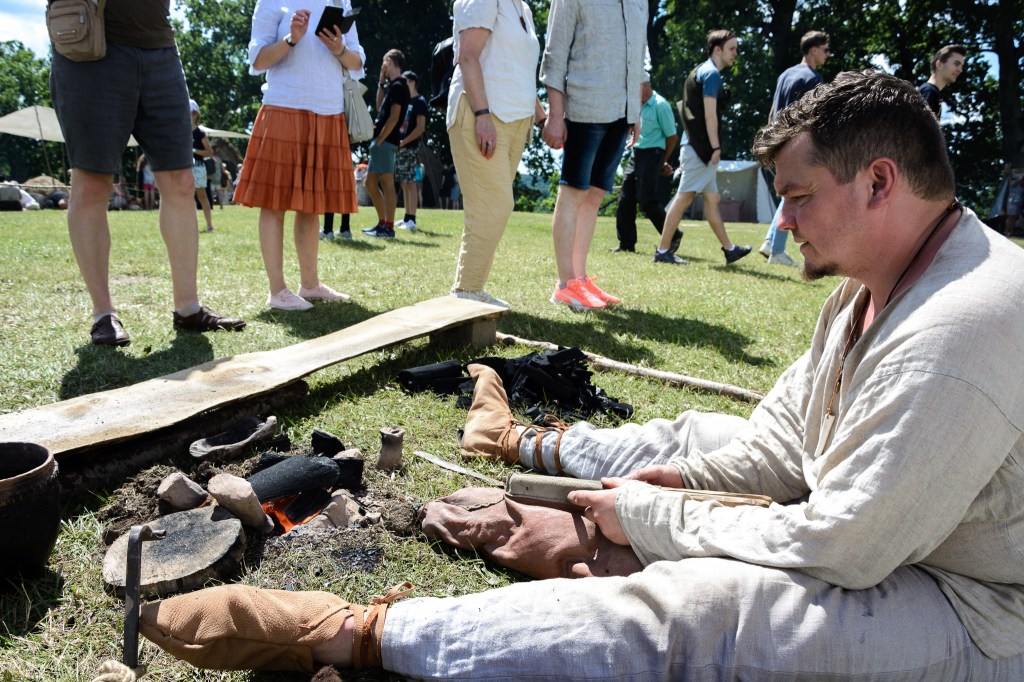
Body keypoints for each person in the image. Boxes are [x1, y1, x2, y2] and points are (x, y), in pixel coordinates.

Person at [141, 70, 1024, 680]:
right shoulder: (871, 287)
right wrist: (671, 486)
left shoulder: (959, 328)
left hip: (979, 611)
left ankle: (362, 633)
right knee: (699, 438)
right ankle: (527, 448)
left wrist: (653, 519)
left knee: (709, 610)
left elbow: (845, 547)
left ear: (879, 183)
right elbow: (781, 450)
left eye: (798, 197)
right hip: (890, 539)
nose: (784, 223)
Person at [49, 0, 244, 347]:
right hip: (90, 42)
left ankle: (188, 307)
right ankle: (103, 313)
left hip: (159, 46)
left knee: (181, 180)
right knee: (92, 183)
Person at [234, 0, 365, 311]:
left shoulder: (339, 1)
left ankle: (310, 285)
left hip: (328, 110)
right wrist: (291, 39)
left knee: (311, 204)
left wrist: (339, 49)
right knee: (273, 202)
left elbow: (358, 61)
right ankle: (277, 290)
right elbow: (257, 60)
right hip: (283, 107)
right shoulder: (271, 2)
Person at [540, 0, 647, 310]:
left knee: (595, 195)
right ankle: (565, 285)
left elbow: (638, 59)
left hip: (622, 112)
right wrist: (555, 115)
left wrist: (635, 112)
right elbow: (554, 55)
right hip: (584, 107)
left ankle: (580, 279)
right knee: (573, 193)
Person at [447, 0, 547, 310]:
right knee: (494, 205)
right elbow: (468, 56)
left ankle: (471, 288)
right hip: (482, 115)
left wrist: (543, 118)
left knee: (490, 209)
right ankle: (466, 292)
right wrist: (482, 114)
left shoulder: (523, 8)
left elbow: (518, 70)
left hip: (515, 121)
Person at [653, 30, 751, 266]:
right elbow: (710, 115)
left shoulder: (699, 71)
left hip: (693, 147)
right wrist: (716, 147)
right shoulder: (712, 74)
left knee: (712, 199)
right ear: (717, 49)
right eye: (732, 48)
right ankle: (663, 251)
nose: (736, 53)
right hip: (700, 151)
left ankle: (729, 250)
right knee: (683, 198)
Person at [758, 30, 831, 267]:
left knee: (787, 193)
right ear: (813, 50)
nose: (828, 54)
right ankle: (777, 250)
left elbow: (772, 110)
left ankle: (771, 242)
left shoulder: (785, 74)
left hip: (776, 142)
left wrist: (770, 142)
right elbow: (815, 117)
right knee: (793, 194)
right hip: (797, 144)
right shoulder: (813, 78)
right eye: (826, 50)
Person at [613, 72, 679, 256]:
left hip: (654, 153)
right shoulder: (636, 105)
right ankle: (626, 243)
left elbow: (672, 136)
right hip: (637, 153)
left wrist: (662, 160)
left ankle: (673, 235)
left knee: (646, 199)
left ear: (645, 85)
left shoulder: (661, 105)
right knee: (625, 198)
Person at [362, 49, 409, 239]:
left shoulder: (399, 86)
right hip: (381, 141)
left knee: (387, 184)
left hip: (386, 141)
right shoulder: (392, 86)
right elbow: (379, 106)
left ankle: (388, 227)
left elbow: (394, 117)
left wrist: (380, 140)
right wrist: (381, 82)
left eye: (383, 63)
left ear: (388, 61)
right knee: (370, 183)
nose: (382, 67)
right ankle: (382, 223)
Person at [395, 70, 429, 233]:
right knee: (404, 182)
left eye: (405, 82)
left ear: (412, 82)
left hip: (410, 147)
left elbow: (420, 128)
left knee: (410, 182)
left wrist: (404, 142)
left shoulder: (420, 101)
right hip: (401, 146)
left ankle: (412, 219)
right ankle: (407, 217)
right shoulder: (406, 101)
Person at [918, 44, 966, 118]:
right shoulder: (929, 92)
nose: (960, 70)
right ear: (939, 65)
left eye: (961, 66)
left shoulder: (931, 92)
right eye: (956, 64)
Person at [190, 101, 216, 232]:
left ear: (195, 115)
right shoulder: (181, 132)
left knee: (202, 195)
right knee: (186, 197)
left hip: (198, 166)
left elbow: (209, 152)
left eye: (191, 113)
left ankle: (209, 225)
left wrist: (194, 150)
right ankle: (190, 225)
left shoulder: (200, 133)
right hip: (185, 167)